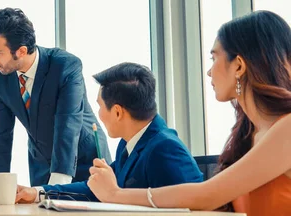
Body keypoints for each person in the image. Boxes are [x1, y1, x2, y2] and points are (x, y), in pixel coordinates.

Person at [87, 11, 291, 216]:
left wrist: (115, 194)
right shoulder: (248, 135)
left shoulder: (288, 128)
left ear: (238, 65)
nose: (209, 71)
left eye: (214, 58)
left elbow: (207, 195)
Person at [0, 8, 110, 201]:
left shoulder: (66, 66)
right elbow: (0, 131)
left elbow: (67, 125)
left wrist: (55, 188)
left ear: (21, 51)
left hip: (82, 161)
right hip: (40, 162)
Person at [13, 63, 203, 203]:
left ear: (118, 112)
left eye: (100, 106)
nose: (99, 115)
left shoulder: (165, 148)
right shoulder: (130, 142)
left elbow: (193, 204)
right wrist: (38, 192)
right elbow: (95, 188)